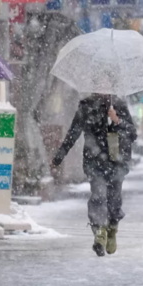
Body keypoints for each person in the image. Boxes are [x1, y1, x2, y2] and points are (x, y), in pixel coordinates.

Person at [51, 94, 137, 257]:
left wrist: (116, 120)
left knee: (114, 200)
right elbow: (73, 132)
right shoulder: (86, 106)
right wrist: (59, 156)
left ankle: (112, 228)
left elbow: (132, 134)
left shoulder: (119, 105)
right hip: (94, 161)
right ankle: (99, 233)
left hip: (117, 161)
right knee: (98, 195)